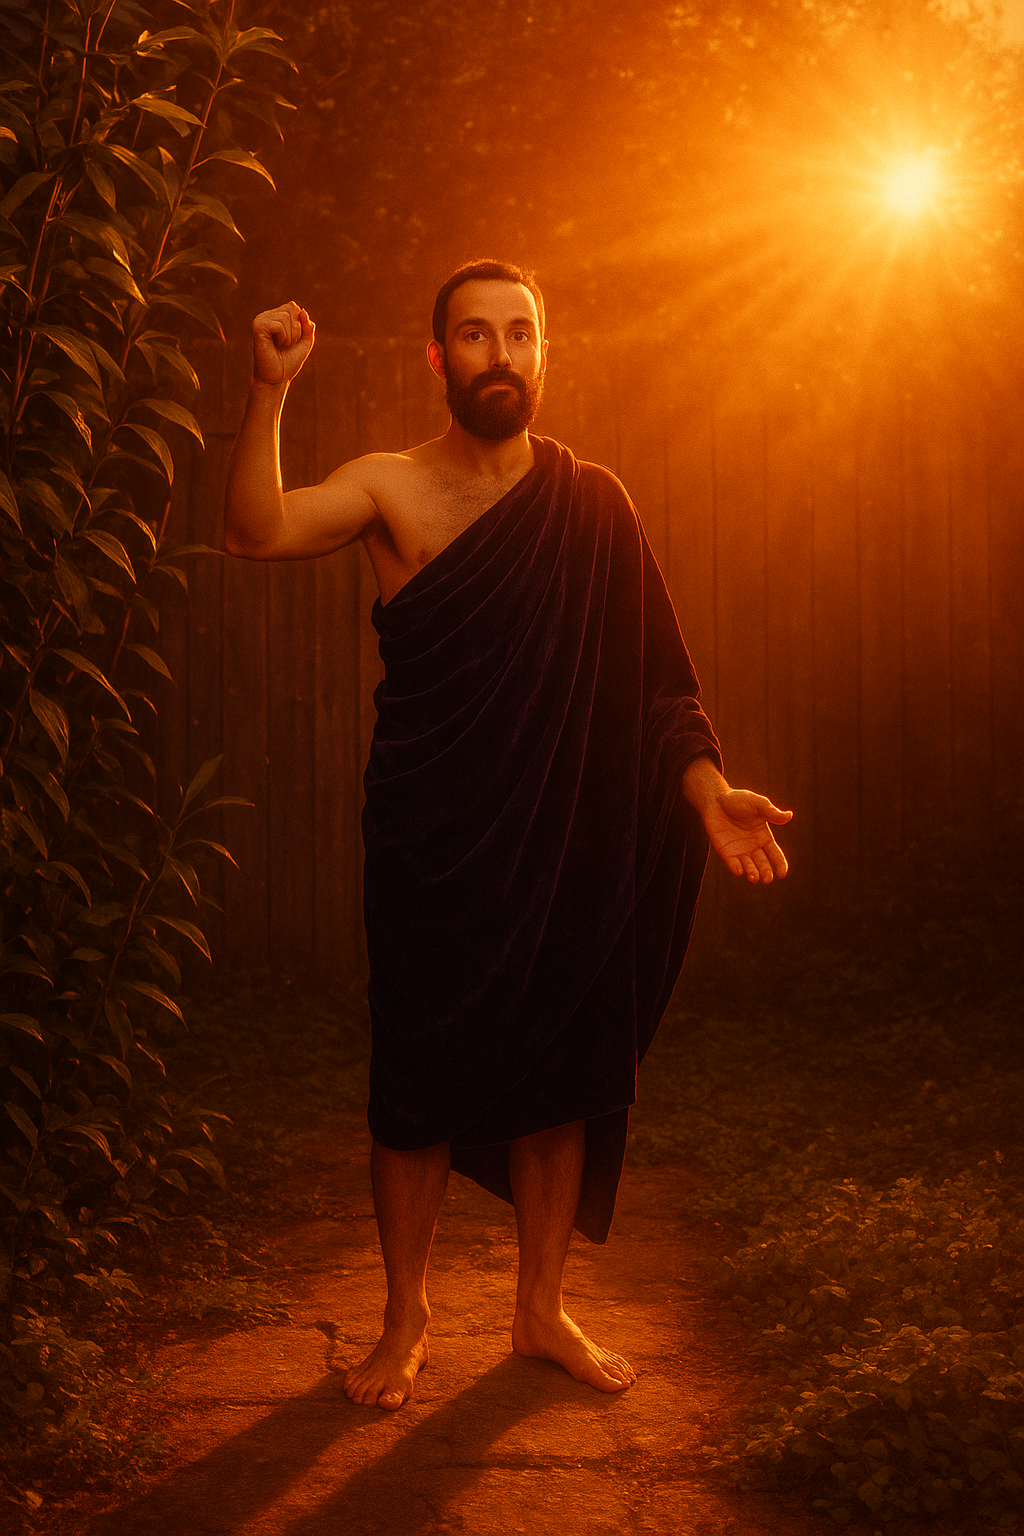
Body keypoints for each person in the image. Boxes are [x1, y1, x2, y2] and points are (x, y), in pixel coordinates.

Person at [223, 259, 792, 1412]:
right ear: (441, 358)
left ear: (544, 354)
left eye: (519, 333)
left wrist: (706, 792)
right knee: (414, 1082)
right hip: (432, 837)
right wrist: (271, 390)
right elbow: (256, 531)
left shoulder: (593, 506)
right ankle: (405, 1318)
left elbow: (656, 688)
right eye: (475, 335)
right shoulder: (389, 485)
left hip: (566, 830)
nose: (500, 353)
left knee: (562, 1070)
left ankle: (539, 1308)